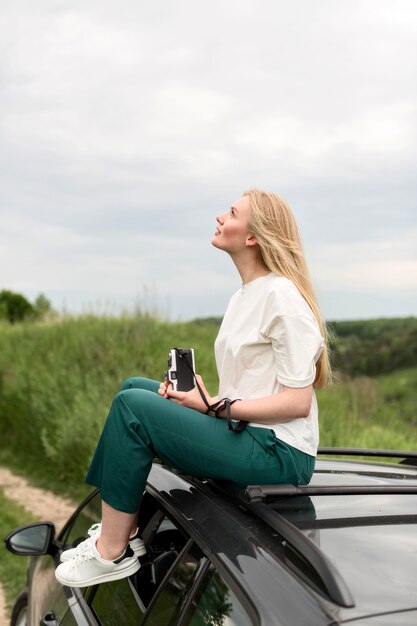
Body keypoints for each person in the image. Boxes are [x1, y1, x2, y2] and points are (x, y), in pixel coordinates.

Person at [55, 188, 330, 588]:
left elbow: (297, 402)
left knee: (133, 408)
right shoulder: (245, 295)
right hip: (247, 432)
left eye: (231, 212)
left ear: (252, 237)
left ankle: (112, 552)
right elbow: (252, 384)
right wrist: (203, 398)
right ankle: (124, 530)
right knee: (134, 388)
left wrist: (214, 406)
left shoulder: (281, 296)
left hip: (280, 451)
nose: (220, 217)